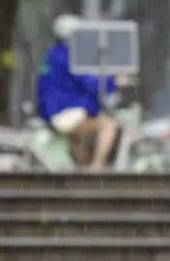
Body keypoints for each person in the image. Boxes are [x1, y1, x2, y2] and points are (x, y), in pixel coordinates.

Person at [37, 14, 119, 169]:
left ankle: (81, 167)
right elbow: (91, 83)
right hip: (66, 112)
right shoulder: (71, 56)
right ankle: (97, 167)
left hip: (51, 112)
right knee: (109, 125)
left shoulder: (52, 54)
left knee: (81, 143)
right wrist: (113, 81)